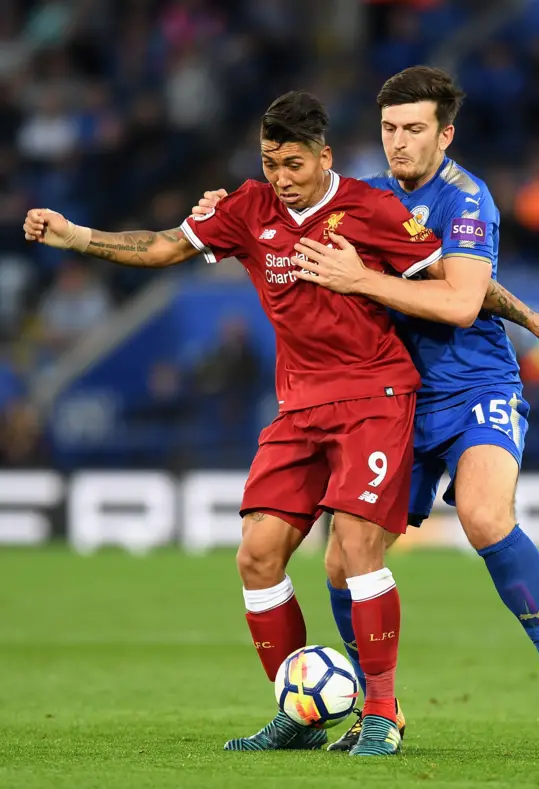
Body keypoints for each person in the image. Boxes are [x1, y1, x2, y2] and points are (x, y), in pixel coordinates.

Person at [24, 89, 467, 757]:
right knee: (257, 557)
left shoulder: (374, 211)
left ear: (324, 156)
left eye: (294, 164)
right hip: (299, 407)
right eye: (270, 163)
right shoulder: (249, 207)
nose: (282, 180)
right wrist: (76, 235)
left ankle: (380, 713)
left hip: (374, 397)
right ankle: (299, 712)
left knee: (354, 551)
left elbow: (446, 292)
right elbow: (164, 247)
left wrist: (368, 283)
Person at [290, 67, 539, 756]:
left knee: (486, 516)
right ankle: (379, 710)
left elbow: (461, 301)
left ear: (445, 133)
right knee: (342, 559)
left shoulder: (466, 198)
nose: (398, 142)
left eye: (414, 129)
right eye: (389, 129)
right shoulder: (365, 196)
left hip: (477, 387)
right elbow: (470, 280)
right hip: (395, 399)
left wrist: (358, 277)